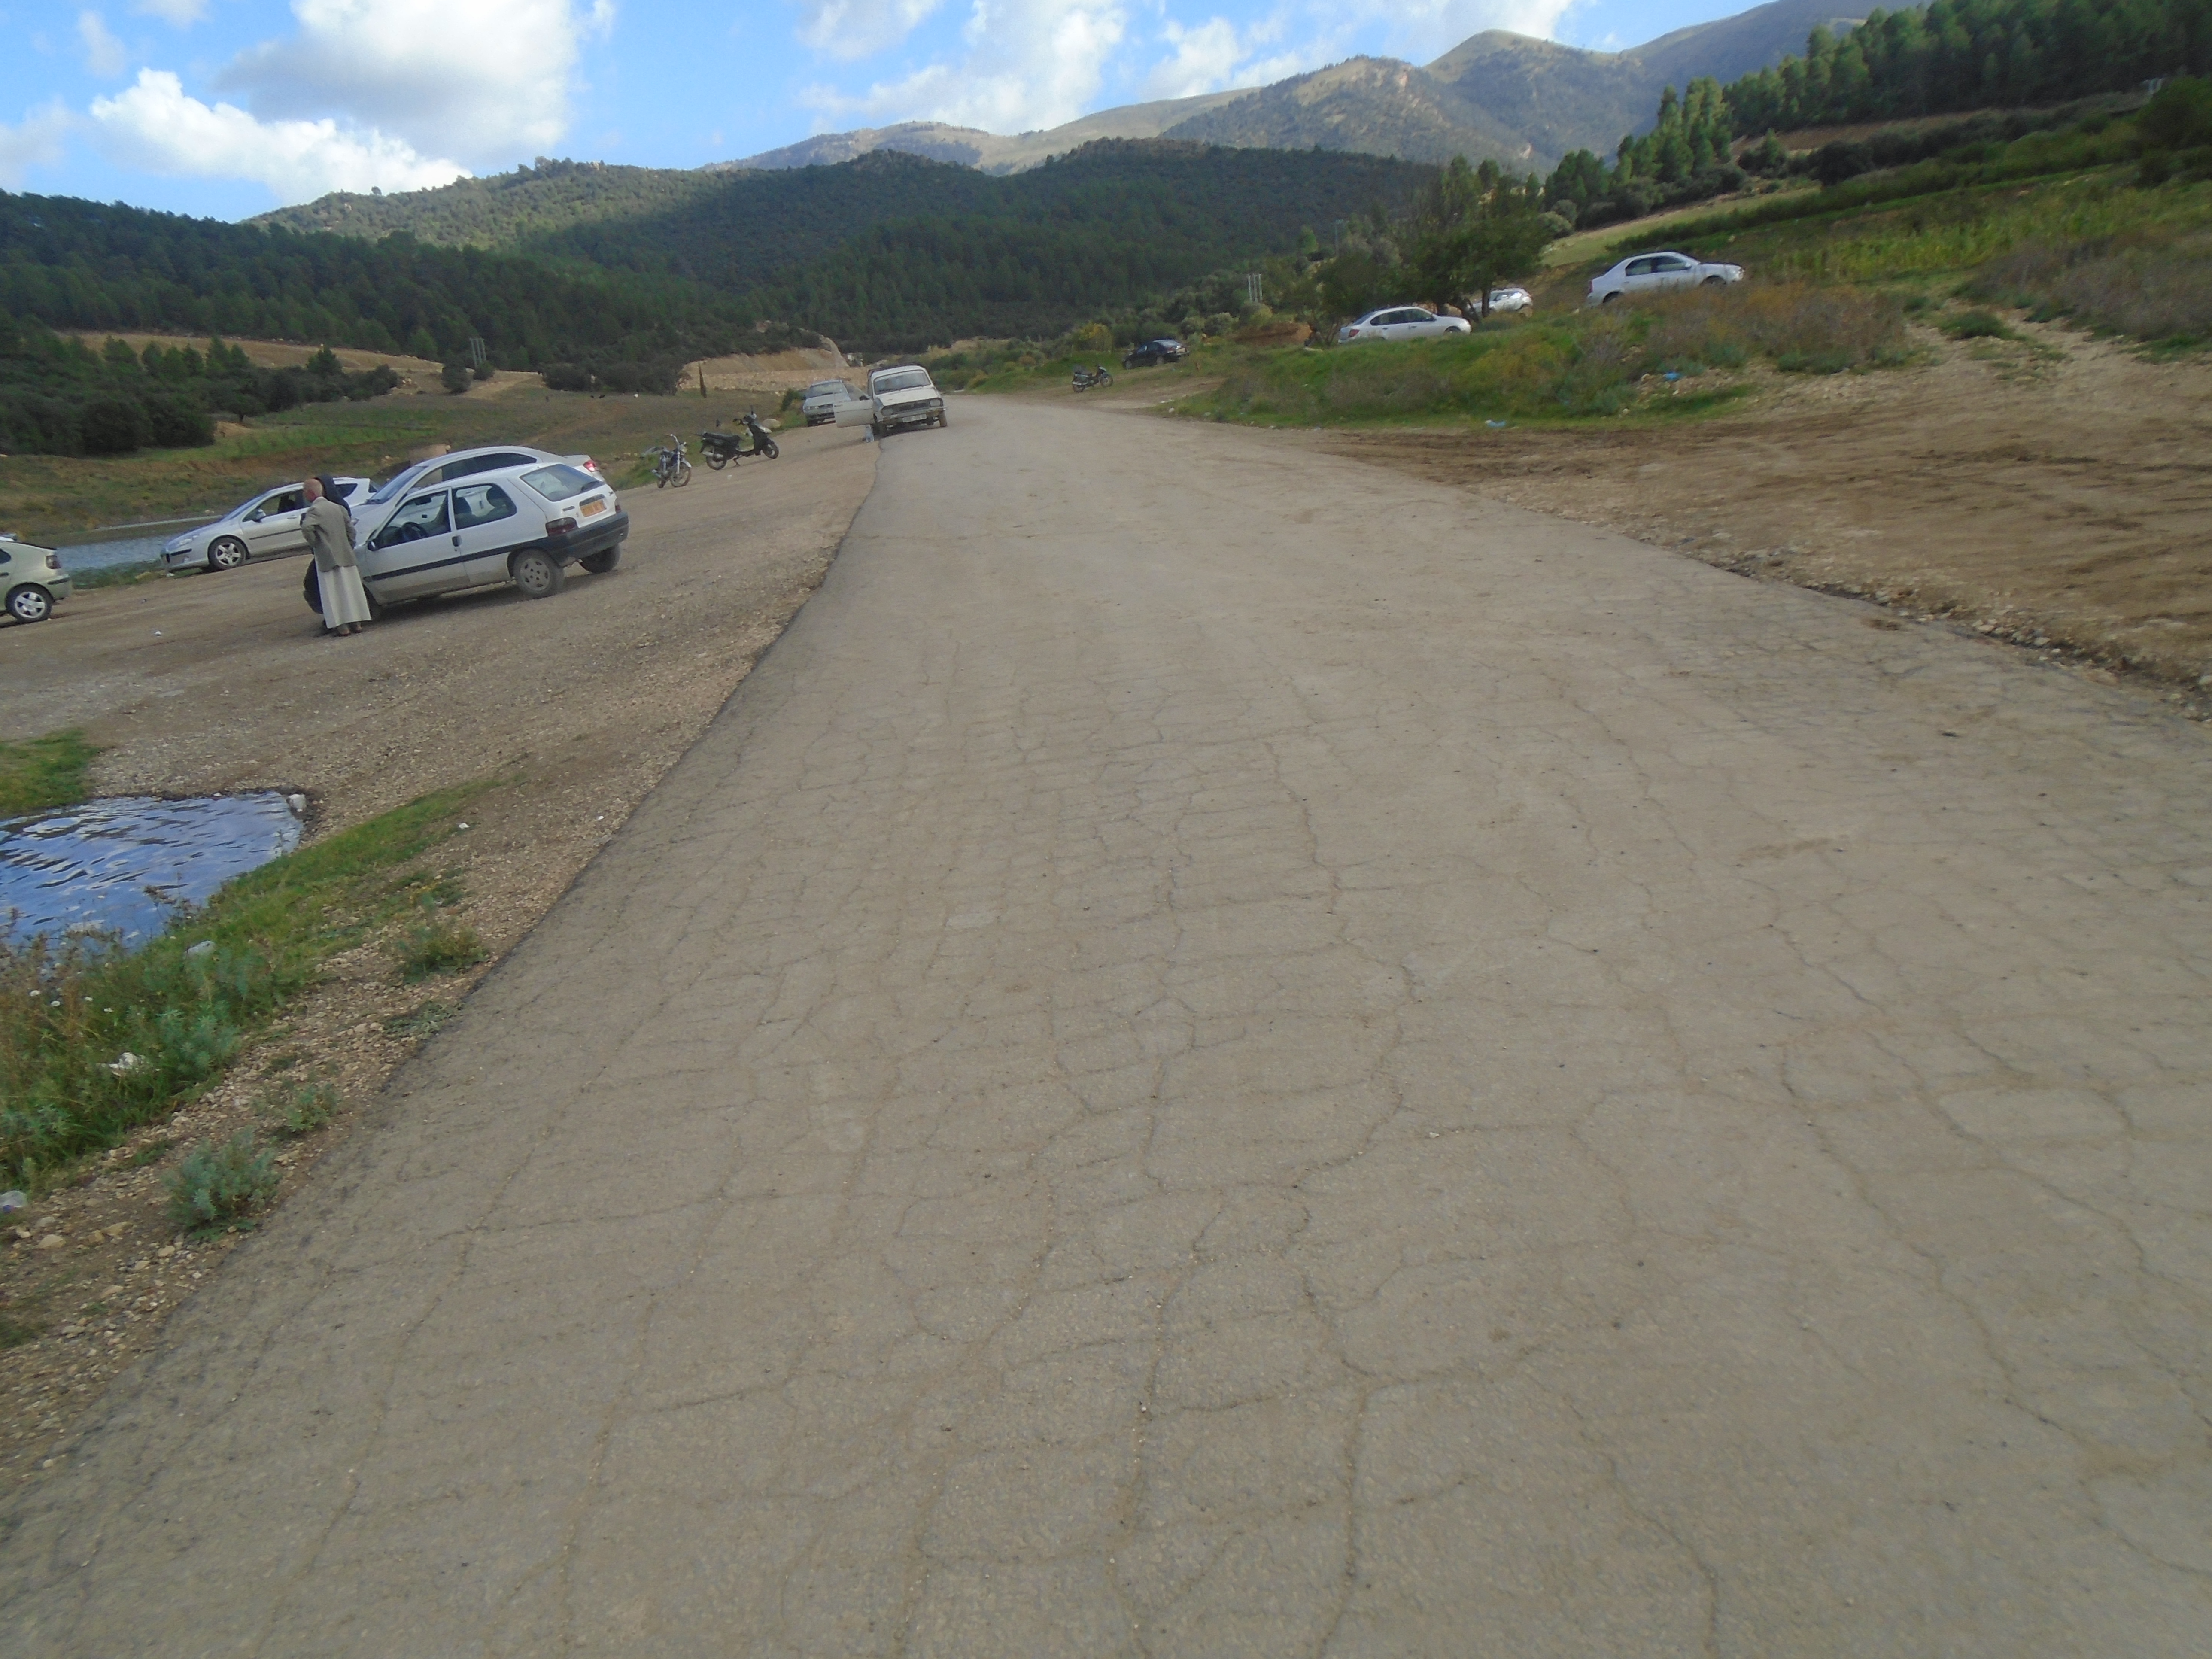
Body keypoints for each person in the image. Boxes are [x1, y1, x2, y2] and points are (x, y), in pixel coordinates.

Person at [302, 475, 370, 637]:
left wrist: (315, 543)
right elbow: (351, 530)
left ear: (310, 494)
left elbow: (306, 527)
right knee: (351, 590)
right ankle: (357, 623)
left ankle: (342, 627)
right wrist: (349, 545)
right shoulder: (339, 508)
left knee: (333, 593)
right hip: (346, 556)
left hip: (328, 558)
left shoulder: (315, 510)